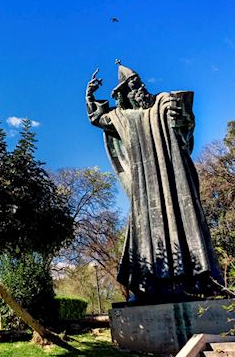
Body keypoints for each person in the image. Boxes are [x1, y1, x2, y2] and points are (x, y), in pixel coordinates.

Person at [86, 61, 222, 304]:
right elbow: (99, 119)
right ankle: (149, 286)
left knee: (186, 221)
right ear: (125, 94)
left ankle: (200, 280)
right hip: (146, 188)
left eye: (139, 82)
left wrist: (181, 115)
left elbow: (184, 124)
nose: (139, 87)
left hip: (175, 177)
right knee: (146, 230)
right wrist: (90, 96)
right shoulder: (123, 117)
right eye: (132, 85)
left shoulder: (164, 102)